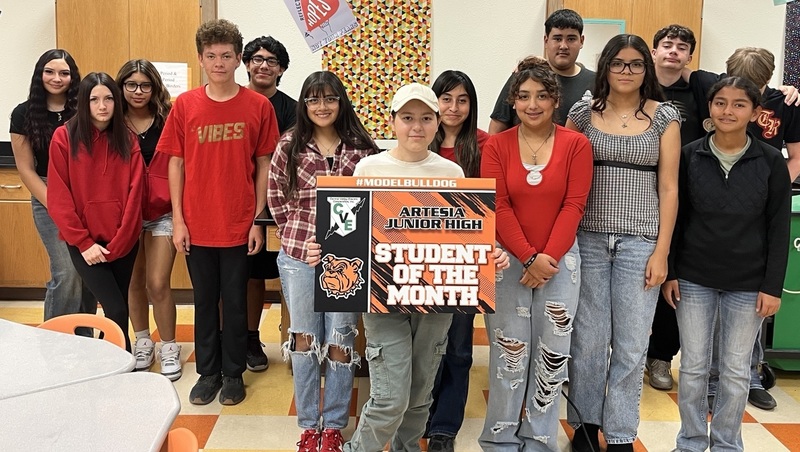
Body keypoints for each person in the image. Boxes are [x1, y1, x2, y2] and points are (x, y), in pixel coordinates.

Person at [307, 83, 509, 452]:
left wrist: (491, 255)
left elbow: (466, 233)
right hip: (382, 299)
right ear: (393, 121)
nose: (416, 127)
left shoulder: (452, 173)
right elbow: (344, 230)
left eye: (425, 119)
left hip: (435, 300)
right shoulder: (369, 168)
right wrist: (323, 249)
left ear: (437, 123)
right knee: (390, 398)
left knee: (419, 397)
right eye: (407, 118)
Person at [565, 34, 681, 452]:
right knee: (589, 340)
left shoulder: (665, 117)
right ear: (606, 67)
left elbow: (669, 188)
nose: (627, 72)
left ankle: (618, 434)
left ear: (646, 70)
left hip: (641, 243)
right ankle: (583, 426)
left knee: (632, 344)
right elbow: (563, 171)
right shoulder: (582, 113)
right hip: (588, 240)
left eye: (635, 64)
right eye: (618, 64)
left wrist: (662, 251)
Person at [157, 19, 280, 406]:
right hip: (196, 222)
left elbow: (264, 165)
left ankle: (233, 374)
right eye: (211, 56)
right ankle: (207, 373)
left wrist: (258, 219)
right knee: (204, 300)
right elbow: (175, 164)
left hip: (240, 222)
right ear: (200, 59)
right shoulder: (185, 106)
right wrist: (178, 220)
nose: (219, 63)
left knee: (236, 300)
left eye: (226, 55)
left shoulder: (258, 106)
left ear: (238, 58)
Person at [664, 76, 790, 452]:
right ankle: (689, 440)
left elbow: (779, 226)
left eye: (739, 104)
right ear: (710, 107)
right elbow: (674, 218)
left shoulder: (769, 160)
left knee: (736, 372)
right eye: (720, 102)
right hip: (693, 277)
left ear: (754, 111)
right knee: (693, 368)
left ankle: (726, 444)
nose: (728, 111)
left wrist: (772, 286)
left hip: (749, 281)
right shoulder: (689, 155)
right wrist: (670, 272)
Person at [479, 58, 593, 451]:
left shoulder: (576, 144)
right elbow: (499, 205)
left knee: (552, 352)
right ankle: (499, 439)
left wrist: (546, 259)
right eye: (524, 96)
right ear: (512, 101)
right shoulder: (496, 145)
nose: (533, 104)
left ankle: (540, 437)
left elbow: (574, 205)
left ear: (555, 100)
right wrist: (529, 257)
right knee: (509, 351)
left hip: (560, 262)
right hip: (508, 261)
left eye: (542, 96)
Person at [268, 70, 378, 452]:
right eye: (313, 99)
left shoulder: (362, 148)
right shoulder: (290, 144)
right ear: (304, 104)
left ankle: (332, 425)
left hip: (347, 261)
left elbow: (374, 201)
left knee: (340, 341)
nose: (321, 106)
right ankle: (307, 424)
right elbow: (276, 198)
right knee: (303, 339)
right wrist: (297, 240)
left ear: (341, 101)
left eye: (329, 98)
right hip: (301, 259)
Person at [705, 46, 800, 412]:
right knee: (714, 297)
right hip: (720, 208)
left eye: (755, 86)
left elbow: (794, 156)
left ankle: (751, 373)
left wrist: (773, 189)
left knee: (753, 299)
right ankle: (715, 378)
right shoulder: (715, 93)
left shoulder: (785, 103)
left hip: (759, 210)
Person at [47, 72, 144, 353]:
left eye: (109, 99)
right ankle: (120, 367)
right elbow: (59, 198)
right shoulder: (64, 138)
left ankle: (109, 360)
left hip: (123, 241)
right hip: (85, 243)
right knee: (114, 307)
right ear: (83, 102)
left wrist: (123, 241)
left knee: (120, 307)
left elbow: (135, 194)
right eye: (94, 99)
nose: (102, 106)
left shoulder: (127, 139)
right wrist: (84, 243)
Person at [423, 70, 489, 452]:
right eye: (446, 99)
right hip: (419, 261)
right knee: (424, 346)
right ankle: (422, 414)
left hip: (466, 262)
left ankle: (445, 427)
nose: (453, 107)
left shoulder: (484, 145)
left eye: (462, 100)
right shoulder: (417, 141)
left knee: (459, 348)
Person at [9, 49, 96, 335]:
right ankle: (54, 342)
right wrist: (57, 206)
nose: (57, 78)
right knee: (67, 273)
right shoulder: (24, 113)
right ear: (39, 74)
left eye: (64, 73)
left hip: (85, 197)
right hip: (47, 196)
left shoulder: (84, 110)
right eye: (50, 71)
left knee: (87, 273)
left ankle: (84, 343)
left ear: (73, 78)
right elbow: (26, 170)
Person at [116, 59, 181, 380]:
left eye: (145, 85)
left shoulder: (167, 118)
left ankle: (168, 345)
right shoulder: (112, 121)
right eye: (131, 85)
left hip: (163, 213)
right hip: (125, 214)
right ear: (121, 87)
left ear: (155, 87)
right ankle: (142, 340)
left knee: (157, 282)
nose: (138, 91)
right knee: (133, 282)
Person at [242, 35, 298, 372]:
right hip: (239, 202)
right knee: (248, 275)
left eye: (272, 61)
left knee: (288, 273)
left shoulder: (291, 109)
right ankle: (248, 338)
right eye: (258, 59)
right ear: (247, 64)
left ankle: (294, 341)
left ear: (281, 69)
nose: (264, 65)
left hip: (281, 204)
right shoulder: (233, 101)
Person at [489, 9, 594, 132]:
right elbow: (496, 128)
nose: (564, 46)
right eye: (557, 38)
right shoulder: (524, 76)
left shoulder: (596, 82)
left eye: (571, 39)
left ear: (581, 41)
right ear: (546, 41)